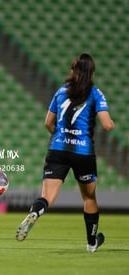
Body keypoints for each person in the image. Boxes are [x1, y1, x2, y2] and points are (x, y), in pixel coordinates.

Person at [15, 53, 115, 252]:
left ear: (72, 71)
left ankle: (36, 212)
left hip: (58, 148)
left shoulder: (61, 92)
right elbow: (107, 125)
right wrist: (109, 122)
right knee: (89, 198)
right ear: (92, 73)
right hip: (83, 152)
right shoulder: (96, 94)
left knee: (47, 196)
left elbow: (48, 123)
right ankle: (91, 243)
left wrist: (60, 136)